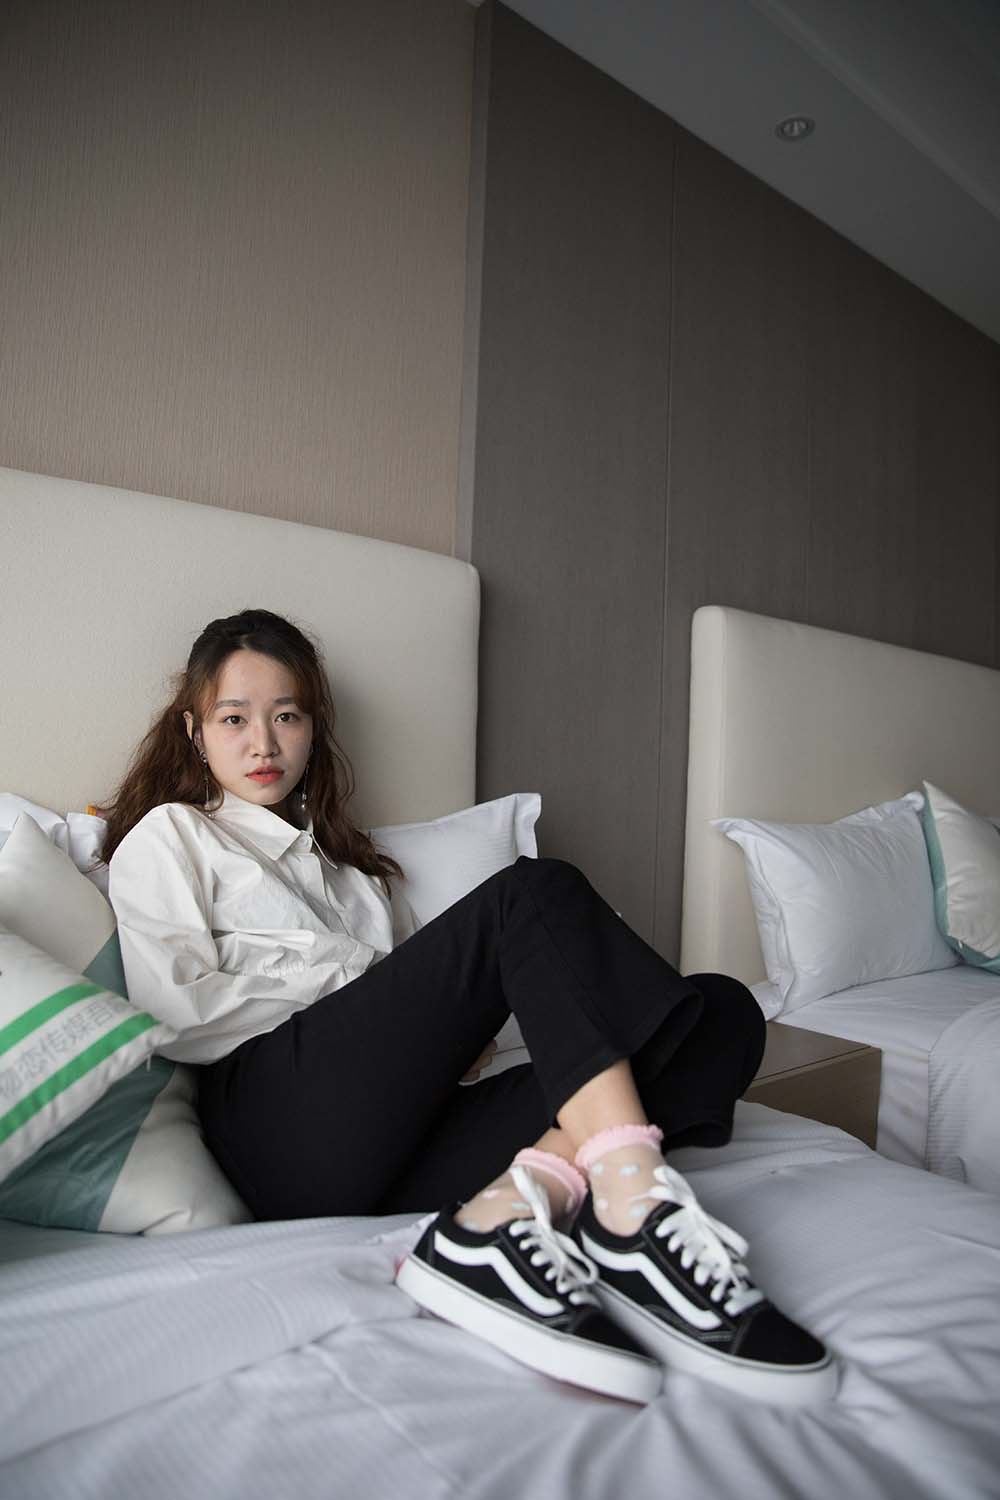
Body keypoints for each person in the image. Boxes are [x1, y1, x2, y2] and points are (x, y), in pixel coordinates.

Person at [103, 608, 835, 1409]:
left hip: (398, 1144)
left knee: (719, 1011)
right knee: (532, 893)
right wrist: (356, 976)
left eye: (287, 716)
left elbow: (419, 1022)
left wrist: (431, 1024)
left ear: (313, 728)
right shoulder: (175, 837)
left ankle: (500, 1215)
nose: (263, 744)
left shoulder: (359, 880)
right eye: (233, 719)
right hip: (275, 1129)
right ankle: (634, 1204)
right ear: (194, 731)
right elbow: (176, 1010)